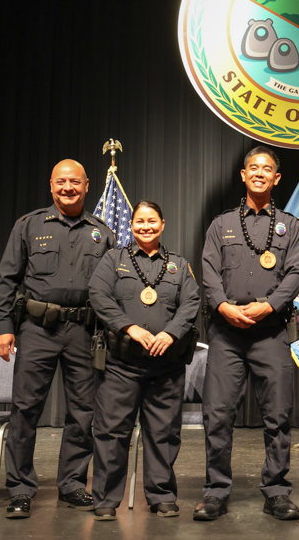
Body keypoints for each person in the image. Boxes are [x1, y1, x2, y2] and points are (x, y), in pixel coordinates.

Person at [0, 159, 115, 518]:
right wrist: (4, 326)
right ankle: (19, 489)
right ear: (51, 185)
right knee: (25, 410)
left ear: (87, 185)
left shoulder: (102, 232)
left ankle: (73, 484)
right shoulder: (29, 225)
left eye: (74, 182)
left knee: (83, 412)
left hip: (84, 332)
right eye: (61, 182)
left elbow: (111, 286)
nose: (68, 188)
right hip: (37, 330)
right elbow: (7, 279)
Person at [194, 146, 299, 522]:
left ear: (276, 178)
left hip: (270, 332)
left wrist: (270, 305)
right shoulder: (220, 224)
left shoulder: (290, 227)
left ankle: (276, 491)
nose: (259, 173)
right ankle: (215, 491)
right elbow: (208, 270)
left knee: (278, 415)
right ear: (243, 175)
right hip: (226, 333)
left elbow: (296, 273)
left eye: (267, 169)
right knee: (218, 414)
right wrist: (223, 306)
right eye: (253, 168)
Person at [88, 200, 200, 521]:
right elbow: (98, 295)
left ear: (162, 225)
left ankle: (161, 495)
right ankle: (107, 500)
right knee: (112, 433)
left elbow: (191, 302)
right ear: (131, 224)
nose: (146, 226)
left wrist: (172, 333)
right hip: (121, 363)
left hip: (166, 365)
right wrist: (130, 327)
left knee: (163, 433)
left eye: (152, 221)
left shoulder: (179, 265)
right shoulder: (113, 260)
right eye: (140, 221)